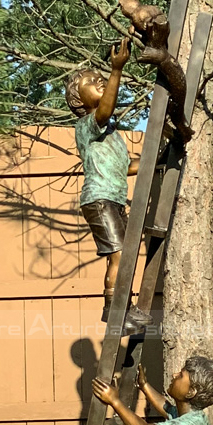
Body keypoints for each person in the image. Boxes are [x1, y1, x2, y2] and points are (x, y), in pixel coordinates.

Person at [65, 38, 153, 336]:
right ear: (79, 100)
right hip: (99, 199)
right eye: (91, 81)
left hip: (113, 200)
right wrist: (116, 69)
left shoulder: (111, 133)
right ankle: (114, 313)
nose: (99, 81)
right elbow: (105, 109)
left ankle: (123, 308)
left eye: (101, 77)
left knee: (126, 254)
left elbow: (126, 167)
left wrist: (160, 157)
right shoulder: (88, 124)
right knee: (118, 255)